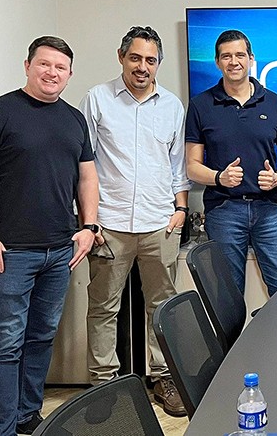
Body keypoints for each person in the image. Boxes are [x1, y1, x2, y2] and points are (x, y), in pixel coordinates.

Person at [0, 37, 98, 436]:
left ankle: (27, 415)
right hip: (9, 253)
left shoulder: (74, 119)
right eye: (44, 64)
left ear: (69, 74)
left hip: (60, 251)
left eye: (60, 67)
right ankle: (4, 428)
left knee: (41, 337)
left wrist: (89, 227)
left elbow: (87, 176)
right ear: (27, 66)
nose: (52, 73)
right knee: (7, 343)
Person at [79, 26, 190, 416]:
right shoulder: (97, 99)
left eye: (151, 60)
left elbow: (178, 165)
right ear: (122, 57)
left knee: (162, 306)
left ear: (159, 63)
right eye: (135, 58)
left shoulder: (172, 106)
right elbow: (83, 164)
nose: (143, 67)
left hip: (160, 222)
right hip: (109, 225)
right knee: (103, 308)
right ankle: (102, 386)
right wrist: (89, 221)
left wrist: (180, 209)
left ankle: (163, 378)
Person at [185, 29, 277, 296]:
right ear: (217, 62)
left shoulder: (274, 103)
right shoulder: (200, 105)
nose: (233, 62)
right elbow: (191, 166)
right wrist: (219, 177)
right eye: (226, 56)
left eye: (239, 55)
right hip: (224, 210)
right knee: (228, 296)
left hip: (269, 208)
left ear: (251, 59)